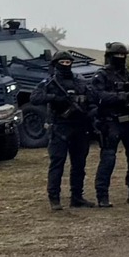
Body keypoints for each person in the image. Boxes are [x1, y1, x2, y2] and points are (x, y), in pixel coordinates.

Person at [35, 49, 96, 209]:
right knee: (57, 163)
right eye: (62, 63)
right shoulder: (50, 82)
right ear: (55, 64)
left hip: (80, 126)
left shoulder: (79, 80)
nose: (65, 65)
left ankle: (77, 197)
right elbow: (35, 97)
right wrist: (55, 99)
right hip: (60, 127)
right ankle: (54, 198)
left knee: (79, 164)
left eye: (68, 62)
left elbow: (91, 97)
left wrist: (89, 110)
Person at [91, 42, 129, 210]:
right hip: (111, 122)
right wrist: (120, 96)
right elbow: (98, 95)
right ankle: (102, 195)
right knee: (108, 159)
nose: (121, 58)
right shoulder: (101, 75)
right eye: (118, 56)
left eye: (123, 56)